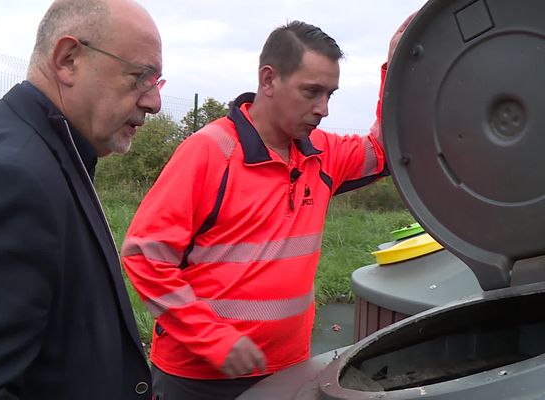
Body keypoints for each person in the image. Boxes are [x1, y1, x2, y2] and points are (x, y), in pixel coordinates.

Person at [121, 16, 414, 400]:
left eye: (330, 94)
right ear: (268, 80)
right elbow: (145, 256)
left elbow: (383, 149)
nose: (323, 108)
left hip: (287, 370)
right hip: (197, 381)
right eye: (311, 92)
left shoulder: (323, 155)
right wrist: (212, 339)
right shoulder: (209, 152)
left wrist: (397, 66)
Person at [0, 0, 164, 398]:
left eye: (157, 83)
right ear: (68, 60)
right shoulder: (12, 178)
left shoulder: (49, 146)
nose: (154, 102)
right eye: (140, 77)